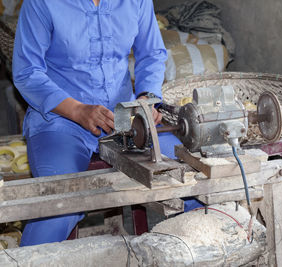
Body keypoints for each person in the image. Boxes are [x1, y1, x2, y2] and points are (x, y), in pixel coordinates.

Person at [12, 0, 182, 246]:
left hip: (124, 120)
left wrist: (148, 99)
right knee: (58, 206)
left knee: (186, 180)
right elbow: (27, 71)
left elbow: (152, 54)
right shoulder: (42, 3)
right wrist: (77, 110)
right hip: (60, 121)